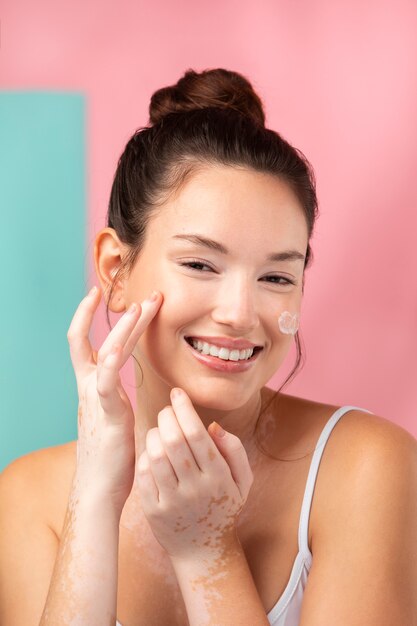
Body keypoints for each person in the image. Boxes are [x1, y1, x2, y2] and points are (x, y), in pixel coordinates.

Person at [1, 67, 416, 626]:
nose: (241, 314)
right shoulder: (27, 498)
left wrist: (208, 552)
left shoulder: (366, 468)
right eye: (200, 265)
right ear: (115, 270)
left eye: (276, 277)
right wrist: (95, 497)